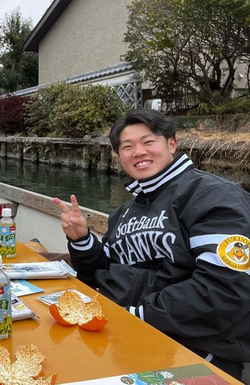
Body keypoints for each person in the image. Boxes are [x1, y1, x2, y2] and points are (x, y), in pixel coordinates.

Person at [54, 108, 249, 380]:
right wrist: (82, 240)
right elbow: (104, 271)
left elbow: (225, 289)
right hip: (128, 332)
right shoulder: (125, 212)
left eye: (148, 142)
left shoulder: (212, 196)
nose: (138, 152)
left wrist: (136, 315)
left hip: (196, 349)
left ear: (172, 144)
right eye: (127, 146)